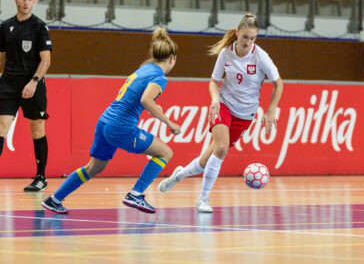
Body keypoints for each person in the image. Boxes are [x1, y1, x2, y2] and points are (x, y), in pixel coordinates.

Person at [41, 28, 181, 214]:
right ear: (172, 59)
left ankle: (54, 199)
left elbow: (137, 97)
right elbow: (145, 100)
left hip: (105, 122)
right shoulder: (160, 77)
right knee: (165, 152)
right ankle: (136, 194)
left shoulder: (144, 68)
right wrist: (169, 122)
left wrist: (155, 109)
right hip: (121, 127)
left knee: (94, 167)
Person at [157, 13, 283, 213]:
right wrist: (215, 100)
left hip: (245, 115)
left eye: (252, 38)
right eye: (245, 37)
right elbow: (214, 81)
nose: (248, 42)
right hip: (224, 105)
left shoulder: (261, 57)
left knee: (205, 160)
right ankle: (203, 199)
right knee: (222, 149)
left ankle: (179, 175)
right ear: (237, 33)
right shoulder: (226, 53)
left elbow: (278, 84)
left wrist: (271, 109)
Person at [0, 0, 52, 192]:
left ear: (34, 1)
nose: (26, 3)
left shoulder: (39, 27)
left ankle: (41, 177)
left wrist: (34, 81)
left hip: (32, 84)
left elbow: (46, 60)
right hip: (8, 84)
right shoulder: (5, 26)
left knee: (37, 129)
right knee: (1, 127)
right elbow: (1, 56)